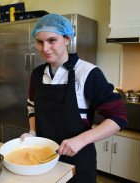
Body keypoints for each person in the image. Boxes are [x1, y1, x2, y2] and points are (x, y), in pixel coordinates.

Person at [20, 14, 127, 183]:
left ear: (67, 39)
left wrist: (79, 140)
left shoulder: (88, 73)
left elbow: (118, 118)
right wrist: (33, 133)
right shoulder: (37, 74)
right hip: (43, 157)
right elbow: (32, 106)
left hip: (78, 162)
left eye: (52, 40)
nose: (45, 48)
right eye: (40, 42)